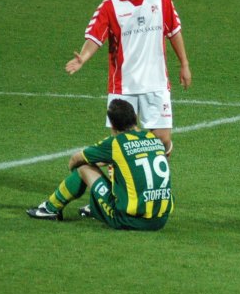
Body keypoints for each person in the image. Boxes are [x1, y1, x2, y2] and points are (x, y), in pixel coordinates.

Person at [65, 0, 192, 157]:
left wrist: (184, 64)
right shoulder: (110, 6)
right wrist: (83, 58)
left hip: (156, 82)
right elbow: (95, 36)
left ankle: (157, 184)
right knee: (123, 145)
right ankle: (123, 186)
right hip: (123, 87)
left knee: (162, 139)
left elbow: (174, 31)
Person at [27, 99, 174, 231]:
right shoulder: (154, 139)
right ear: (135, 118)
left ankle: (50, 209)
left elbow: (75, 159)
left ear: (112, 125)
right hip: (160, 220)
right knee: (122, 168)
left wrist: (75, 175)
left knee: (83, 168)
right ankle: (96, 206)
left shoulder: (116, 143)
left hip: (128, 220)